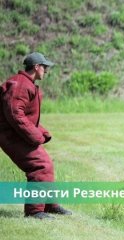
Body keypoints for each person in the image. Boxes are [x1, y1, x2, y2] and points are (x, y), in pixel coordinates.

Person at [0, 52, 72, 219]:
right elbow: (14, 113)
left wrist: (41, 131)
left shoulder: (25, 83)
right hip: (11, 136)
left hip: (16, 134)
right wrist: (35, 135)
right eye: (44, 67)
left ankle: (48, 205)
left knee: (47, 164)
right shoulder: (20, 85)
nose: (46, 71)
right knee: (40, 166)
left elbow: (24, 115)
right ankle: (34, 211)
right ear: (36, 67)